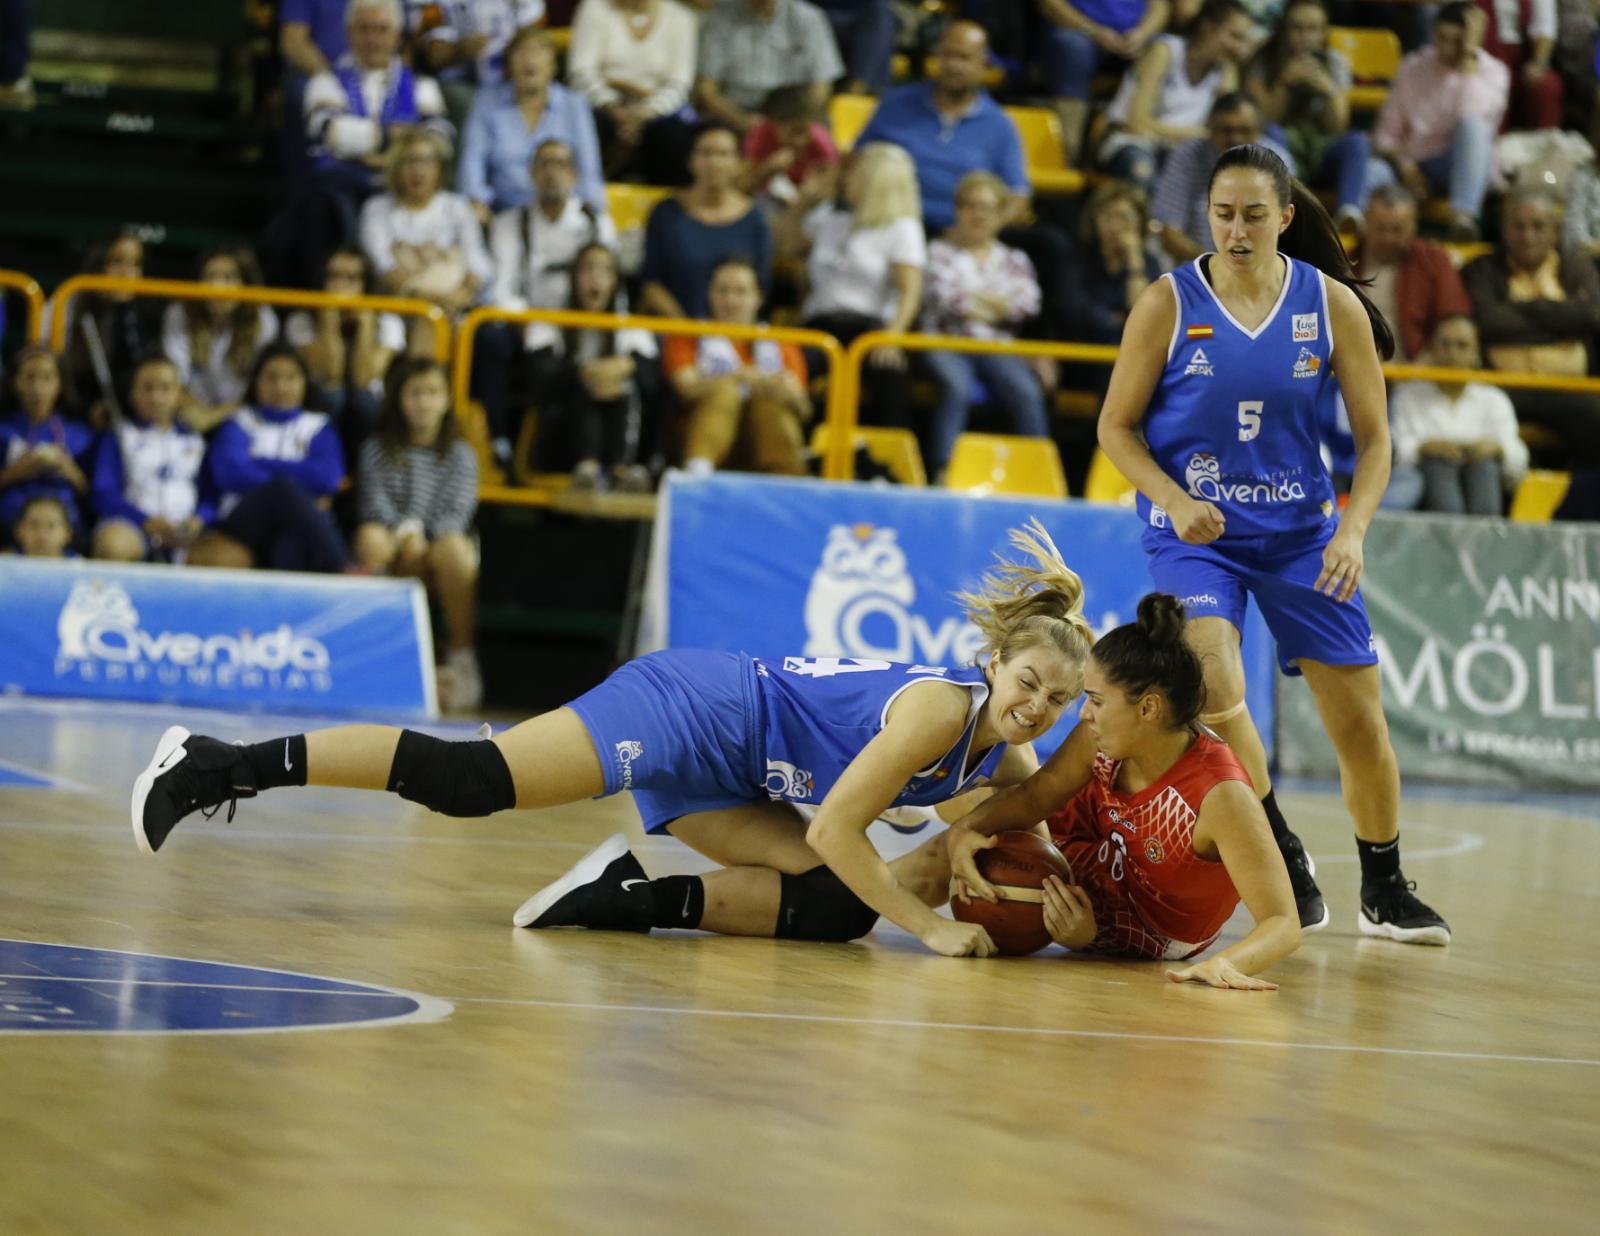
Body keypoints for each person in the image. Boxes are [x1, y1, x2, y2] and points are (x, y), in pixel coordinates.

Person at [130, 519, 1094, 959]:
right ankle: (220, 762)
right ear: (994, 658)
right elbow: (845, 834)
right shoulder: (937, 709)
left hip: (735, 765)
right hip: (697, 706)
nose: (1036, 709)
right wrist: (928, 926)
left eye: (1056, 703)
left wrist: (1031, 890)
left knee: (832, 913)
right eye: (1027, 684)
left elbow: (1009, 824)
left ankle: (620, 896)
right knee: (470, 781)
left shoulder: (994, 750)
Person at [1096, 142, 1451, 945]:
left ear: (1285, 218)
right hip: (1199, 536)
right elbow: (1114, 427)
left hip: (1302, 535)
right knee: (1216, 688)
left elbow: (1375, 442)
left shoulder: (1330, 305)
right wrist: (1172, 499)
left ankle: (1384, 886)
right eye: (1223, 214)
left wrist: (1353, 530)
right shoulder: (1167, 301)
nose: (1237, 229)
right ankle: (1281, 845)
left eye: (1255, 214)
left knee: (1359, 724)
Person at [944, 594, 1301, 986]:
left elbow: (1283, 923)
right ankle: (873, 887)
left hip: (1147, 925)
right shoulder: (1102, 736)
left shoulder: (1220, 795)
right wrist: (964, 832)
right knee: (968, 813)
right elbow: (1035, 797)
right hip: (1101, 837)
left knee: (984, 855)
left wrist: (1228, 963)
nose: (1083, 713)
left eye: (1095, 700)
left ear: (1148, 709)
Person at [477, 137, 620, 453]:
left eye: (561, 164)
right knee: (489, 337)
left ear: (576, 175)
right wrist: (528, 321)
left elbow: (612, 283)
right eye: (544, 164)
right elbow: (501, 288)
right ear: (531, 174)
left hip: (583, 321)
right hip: (528, 321)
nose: (552, 173)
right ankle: (499, 439)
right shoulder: (509, 224)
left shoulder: (597, 223)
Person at [354, 357, 483, 708]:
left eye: (433, 392)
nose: (424, 402)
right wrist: (405, 533)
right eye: (415, 393)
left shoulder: (461, 454)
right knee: (369, 537)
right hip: (395, 541)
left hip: (439, 545)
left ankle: (461, 657)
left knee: (455, 549)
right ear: (399, 398)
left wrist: (425, 541)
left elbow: (458, 512)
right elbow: (373, 504)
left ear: (446, 400)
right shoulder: (377, 449)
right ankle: (377, 653)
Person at [779, 142, 925, 432]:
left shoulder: (901, 228)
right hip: (818, 325)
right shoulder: (829, 218)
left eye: (856, 172)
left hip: (869, 329)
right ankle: (796, 447)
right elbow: (786, 247)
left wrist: (892, 336)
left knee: (889, 373)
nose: (846, 178)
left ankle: (887, 460)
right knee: (787, 369)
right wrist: (802, 204)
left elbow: (910, 292)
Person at [920, 171, 1050, 479]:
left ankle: (1038, 473)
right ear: (958, 210)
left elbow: (1027, 306)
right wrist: (999, 304)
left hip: (996, 346)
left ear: (1001, 214)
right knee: (957, 387)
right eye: (970, 205)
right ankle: (942, 472)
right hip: (945, 342)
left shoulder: (1014, 259)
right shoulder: (939, 252)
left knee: (1026, 391)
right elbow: (949, 301)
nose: (978, 214)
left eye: (987, 207)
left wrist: (977, 302)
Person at [303, 0, 454, 261]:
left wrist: (378, 153)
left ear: (396, 35)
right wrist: (392, 137)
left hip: (400, 189)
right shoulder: (324, 81)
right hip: (342, 188)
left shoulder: (421, 84)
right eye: (364, 29)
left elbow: (441, 138)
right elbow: (332, 132)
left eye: (381, 30)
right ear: (349, 33)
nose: (373, 39)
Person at [1462, 187, 1600, 464]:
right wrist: (1560, 322)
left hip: (1571, 390)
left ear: (1555, 231)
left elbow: (1592, 316)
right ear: (1504, 230)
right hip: (1502, 390)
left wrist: (1518, 315)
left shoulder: (1577, 267)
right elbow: (1487, 322)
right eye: (1519, 226)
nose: (1528, 236)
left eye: (1538, 226)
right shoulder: (1482, 268)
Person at [186, 345, 350, 573]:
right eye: (272, 377)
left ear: (304, 382)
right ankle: (345, 566)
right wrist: (295, 485)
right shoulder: (239, 422)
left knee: (290, 544)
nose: (281, 386)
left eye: (291, 378)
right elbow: (228, 473)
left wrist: (260, 461)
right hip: (243, 520)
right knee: (282, 489)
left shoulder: (318, 426)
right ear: (257, 382)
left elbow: (328, 477)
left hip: (298, 526)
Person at [524, 241, 660, 489]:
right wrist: (586, 372)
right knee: (587, 381)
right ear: (574, 277)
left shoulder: (630, 327)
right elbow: (540, 378)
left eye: (605, 271)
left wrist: (627, 366)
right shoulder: (548, 321)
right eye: (587, 269)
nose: (595, 278)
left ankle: (621, 469)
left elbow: (652, 382)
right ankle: (587, 466)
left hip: (619, 428)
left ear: (615, 282)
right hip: (561, 437)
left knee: (624, 386)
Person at [1245, 0, 1391, 231]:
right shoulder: (1264, 60)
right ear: (1284, 30)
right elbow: (1260, 121)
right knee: (1273, 135)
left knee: (1357, 141)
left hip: (1321, 150)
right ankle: (1284, 209)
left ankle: (1349, 213)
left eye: (1313, 29)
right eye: (1297, 28)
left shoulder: (1335, 63)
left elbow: (1339, 126)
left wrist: (1329, 91)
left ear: (1324, 33)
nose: (1305, 37)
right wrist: (1284, 84)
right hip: (1283, 149)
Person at [1372, 3, 1508, 242]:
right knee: (1374, 170)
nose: (1446, 47)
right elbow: (1385, 134)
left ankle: (1463, 218)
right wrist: (1405, 164)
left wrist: (1468, 58)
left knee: (1474, 128)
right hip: (1416, 164)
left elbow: (1471, 115)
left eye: (1457, 41)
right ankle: (1360, 236)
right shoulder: (1413, 66)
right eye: (1441, 38)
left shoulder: (1494, 72)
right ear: (1433, 33)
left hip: (1467, 167)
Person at [662, 255, 809, 475]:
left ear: (758, 297)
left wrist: (780, 388)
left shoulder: (782, 342)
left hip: (764, 441)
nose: (730, 300)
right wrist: (739, 377)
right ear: (709, 295)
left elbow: (803, 406)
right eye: (722, 291)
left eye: (740, 291)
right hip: (697, 435)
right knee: (724, 392)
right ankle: (697, 472)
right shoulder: (688, 334)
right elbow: (686, 388)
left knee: (769, 404)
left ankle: (787, 484)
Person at [1097, 0, 1256, 194]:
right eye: (1234, 37)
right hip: (1131, 143)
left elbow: (1223, 131)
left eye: (1244, 40)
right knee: (1143, 172)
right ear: (1208, 27)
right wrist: (1195, 135)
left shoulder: (1225, 71)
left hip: (1180, 154)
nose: (1239, 48)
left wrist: (1230, 77)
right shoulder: (1165, 51)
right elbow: (1136, 121)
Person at [457, 25, 606, 221]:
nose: (529, 59)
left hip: (561, 211)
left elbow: (588, 168)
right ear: (508, 65)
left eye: (539, 50)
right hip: (503, 213)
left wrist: (591, 211)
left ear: (553, 64)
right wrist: (476, 200)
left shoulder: (574, 105)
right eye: (521, 51)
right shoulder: (487, 103)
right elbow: (472, 161)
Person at [1387, 314, 1528, 514]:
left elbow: (1517, 461)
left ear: (1475, 354)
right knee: (1438, 464)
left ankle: (1485, 536)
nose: (1452, 353)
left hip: (1483, 476)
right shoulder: (1408, 397)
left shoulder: (1494, 399)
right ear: (1432, 349)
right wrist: (1425, 448)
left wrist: (1496, 448)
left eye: (1462, 346)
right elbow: (1398, 453)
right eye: (1444, 344)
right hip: (1428, 480)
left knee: (1484, 467)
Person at [638, 122, 773, 319]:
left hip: (735, 334)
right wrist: (689, 332)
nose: (714, 163)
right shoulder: (666, 213)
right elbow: (651, 282)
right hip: (675, 331)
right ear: (690, 160)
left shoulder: (756, 220)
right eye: (706, 153)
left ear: (739, 162)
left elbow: (760, 287)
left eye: (723, 154)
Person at [284, 246, 410, 453]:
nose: (340, 286)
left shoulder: (388, 322)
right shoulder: (301, 320)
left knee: (363, 400)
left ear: (365, 284)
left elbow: (364, 379)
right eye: (333, 277)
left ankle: (362, 466)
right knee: (333, 395)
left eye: (351, 278)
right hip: (317, 403)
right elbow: (328, 373)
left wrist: (367, 327)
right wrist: (329, 319)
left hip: (368, 411)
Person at [89, 355, 215, 563]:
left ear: (179, 394)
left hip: (185, 535)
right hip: (133, 528)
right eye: (147, 388)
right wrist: (147, 522)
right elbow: (104, 493)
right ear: (133, 394)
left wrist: (199, 520)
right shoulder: (120, 435)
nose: (156, 397)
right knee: (114, 546)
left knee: (231, 557)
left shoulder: (195, 441)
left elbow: (210, 495)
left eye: (165, 388)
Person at [359, 128, 493, 319]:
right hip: (396, 307)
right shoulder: (376, 209)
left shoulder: (457, 207)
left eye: (427, 161)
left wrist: (463, 294)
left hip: (452, 305)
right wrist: (430, 298)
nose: (418, 170)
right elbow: (383, 266)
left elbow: (477, 262)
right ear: (395, 167)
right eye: (410, 161)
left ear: (439, 168)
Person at [1151, 91, 1294, 263]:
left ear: (1259, 130)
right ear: (1210, 129)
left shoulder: (1278, 162)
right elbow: (1169, 232)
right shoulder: (1188, 155)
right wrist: (1216, 266)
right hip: (1199, 268)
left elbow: (1287, 233)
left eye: (1244, 130)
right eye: (1226, 130)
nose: (1235, 138)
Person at [566, 0, 699, 183]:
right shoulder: (595, 7)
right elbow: (581, 72)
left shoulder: (682, 17)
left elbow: (680, 83)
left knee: (674, 138)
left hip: (656, 108)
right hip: (603, 104)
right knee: (588, 126)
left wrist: (647, 111)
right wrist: (612, 106)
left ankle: (666, 205)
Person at [1038, 0, 1172, 167]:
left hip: (1134, 40)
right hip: (1082, 32)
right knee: (1071, 47)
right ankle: (1069, 150)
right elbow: (1051, 4)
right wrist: (1093, 30)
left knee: (1164, 48)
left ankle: (1137, 138)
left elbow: (1160, 6)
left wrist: (1142, 34)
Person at [162, 247, 279, 434]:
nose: (218, 286)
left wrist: (215, 417)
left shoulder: (263, 319)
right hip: (189, 412)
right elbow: (176, 380)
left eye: (229, 278)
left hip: (242, 414)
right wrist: (199, 414)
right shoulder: (179, 314)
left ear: (246, 283)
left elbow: (260, 386)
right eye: (210, 277)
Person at [1352, 184, 1473, 364]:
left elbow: (1454, 321)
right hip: (1353, 372)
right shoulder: (1343, 264)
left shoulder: (1435, 262)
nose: (1388, 238)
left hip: (1419, 374)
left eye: (1397, 230)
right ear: (1366, 222)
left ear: (1413, 226)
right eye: (1381, 228)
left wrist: (1423, 369)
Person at [56, 230, 164, 424]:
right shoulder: (68, 302)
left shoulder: (147, 312)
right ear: (98, 265)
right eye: (117, 262)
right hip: (75, 416)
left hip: (133, 418)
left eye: (135, 264)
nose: (126, 273)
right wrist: (88, 409)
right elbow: (58, 376)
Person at [694, 0, 843, 138]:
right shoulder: (719, 18)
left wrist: (796, 122)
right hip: (735, 111)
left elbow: (821, 86)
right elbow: (707, 90)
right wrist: (743, 121)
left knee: (819, 130)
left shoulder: (809, 18)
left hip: (794, 111)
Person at [408, 0, 548, 130]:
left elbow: (536, 38)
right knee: (468, 104)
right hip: (461, 83)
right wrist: (461, 49)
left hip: (510, 78)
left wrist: (513, 55)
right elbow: (433, 56)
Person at [0, 346, 95, 539]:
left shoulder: (80, 434)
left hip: (66, 525)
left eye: (46, 378)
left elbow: (96, 495)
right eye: (29, 377)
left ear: (59, 383)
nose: (37, 388)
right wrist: (15, 472)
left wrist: (69, 470)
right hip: (10, 522)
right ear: (15, 382)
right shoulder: (3, 430)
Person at [738, 84, 840, 210]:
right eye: (794, 132)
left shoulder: (822, 144)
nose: (801, 141)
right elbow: (740, 187)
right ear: (774, 125)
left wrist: (809, 194)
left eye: (804, 131)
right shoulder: (761, 135)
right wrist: (768, 169)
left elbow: (831, 191)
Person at [1474, 0, 1561, 131]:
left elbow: (1545, 26)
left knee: (1546, 86)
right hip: (1485, 56)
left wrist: (1538, 62)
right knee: (1483, 88)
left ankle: (1543, 142)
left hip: (1524, 56)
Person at [812, 0, 897, 96]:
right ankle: (813, 90)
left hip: (864, 14)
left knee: (880, 14)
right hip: (818, 12)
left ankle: (860, 87)